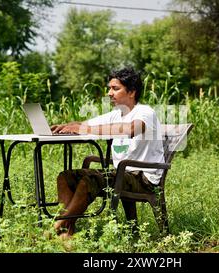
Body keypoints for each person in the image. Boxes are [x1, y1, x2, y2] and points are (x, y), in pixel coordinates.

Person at [51, 67, 165, 238]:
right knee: (65, 177)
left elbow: (132, 129)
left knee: (87, 180)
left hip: (142, 177)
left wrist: (84, 128)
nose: (110, 93)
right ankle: (66, 233)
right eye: (110, 88)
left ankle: (57, 225)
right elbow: (85, 123)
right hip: (122, 173)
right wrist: (68, 126)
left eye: (115, 88)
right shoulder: (115, 114)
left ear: (132, 92)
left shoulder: (145, 112)